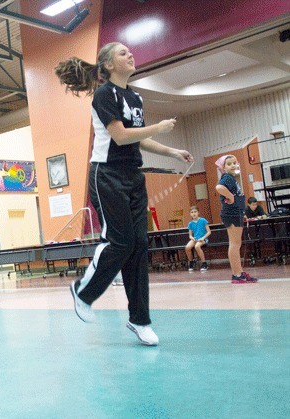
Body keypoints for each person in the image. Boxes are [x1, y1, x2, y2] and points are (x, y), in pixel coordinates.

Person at [55, 43, 193, 346]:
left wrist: (171, 150)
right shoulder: (104, 95)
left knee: (139, 245)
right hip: (107, 176)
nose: (129, 55)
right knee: (120, 241)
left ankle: (139, 320)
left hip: (133, 175)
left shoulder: (135, 96)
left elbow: (138, 140)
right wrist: (157, 127)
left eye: (129, 51)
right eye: (122, 53)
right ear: (107, 65)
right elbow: (120, 135)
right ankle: (83, 292)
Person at [215, 155, 257, 284]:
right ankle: (237, 275)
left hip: (236, 213)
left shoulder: (232, 178)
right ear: (223, 167)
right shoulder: (227, 177)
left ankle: (239, 272)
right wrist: (230, 197)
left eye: (234, 162)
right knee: (234, 245)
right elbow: (219, 188)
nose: (233, 165)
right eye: (229, 164)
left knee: (236, 244)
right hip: (231, 214)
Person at [185, 206, 211, 272]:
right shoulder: (190, 223)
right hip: (195, 238)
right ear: (190, 214)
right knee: (187, 247)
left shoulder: (203, 220)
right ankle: (191, 262)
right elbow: (190, 235)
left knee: (197, 246)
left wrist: (202, 238)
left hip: (203, 238)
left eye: (195, 212)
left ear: (198, 212)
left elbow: (209, 232)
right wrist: (192, 238)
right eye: (192, 212)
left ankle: (204, 263)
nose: (194, 213)